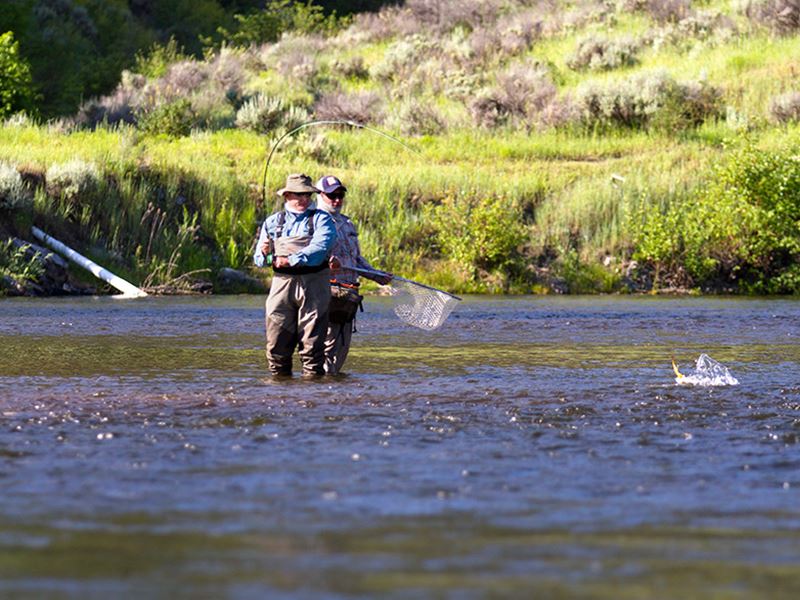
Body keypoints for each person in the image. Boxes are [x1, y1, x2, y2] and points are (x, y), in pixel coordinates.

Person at [254, 173, 337, 377]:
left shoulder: (322, 219)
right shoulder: (272, 222)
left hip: (314, 285)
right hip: (281, 286)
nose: (304, 200)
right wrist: (266, 256)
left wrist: (289, 259)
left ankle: (311, 397)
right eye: (299, 195)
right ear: (287, 195)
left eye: (308, 195)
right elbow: (258, 259)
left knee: (312, 348)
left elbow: (320, 247)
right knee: (276, 347)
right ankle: (280, 391)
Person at [316, 175, 392, 375]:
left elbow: (356, 258)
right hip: (326, 292)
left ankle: (332, 389)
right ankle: (322, 390)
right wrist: (327, 262)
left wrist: (376, 275)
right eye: (332, 195)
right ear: (320, 195)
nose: (337, 200)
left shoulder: (348, 223)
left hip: (348, 295)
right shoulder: (313, 221)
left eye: (340, 195)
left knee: (342, 346)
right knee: (327, 344)